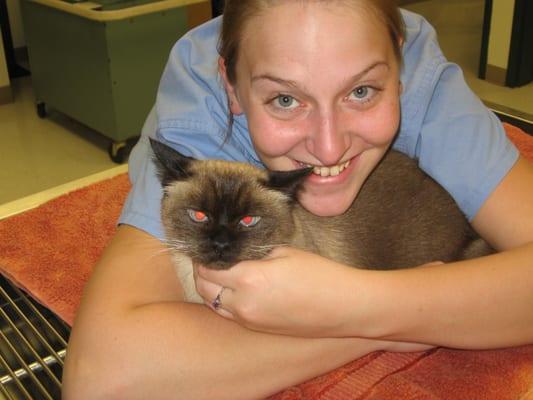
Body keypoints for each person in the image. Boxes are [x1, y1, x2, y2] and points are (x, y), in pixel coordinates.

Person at [62, 1, 533, 399]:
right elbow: (100, 378)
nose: (328, 149)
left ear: (401, 65)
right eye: (285, 100)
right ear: (231, 86)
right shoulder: (200, 115)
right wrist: (403, 321)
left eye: (362, 90)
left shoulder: (425, 82)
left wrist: (354, 303)